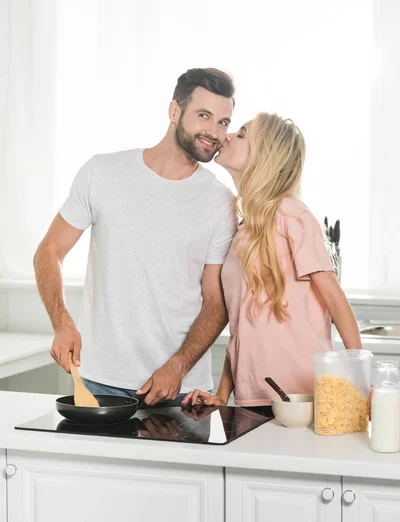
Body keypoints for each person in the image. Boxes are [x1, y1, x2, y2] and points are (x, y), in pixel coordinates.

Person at [34, 68, 237, 407]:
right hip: (100, 380)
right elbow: (49, 249)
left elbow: (216, 302)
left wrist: (178, 366)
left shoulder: (221, 202)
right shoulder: (102, 173)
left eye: (223, 122)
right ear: (175, 111)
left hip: (181, 388)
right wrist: (62, 322)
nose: (214, 132)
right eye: (204, 116)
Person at [182, 112, 362, 416]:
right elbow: (241, 321)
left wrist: (360, 378)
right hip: (251, 396)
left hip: (302, 397)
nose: (225, 136)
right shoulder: (243, 230)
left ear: (264, 155)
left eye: (241, 135)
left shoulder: (292, 214)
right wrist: (223, 393)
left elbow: (334, 298)